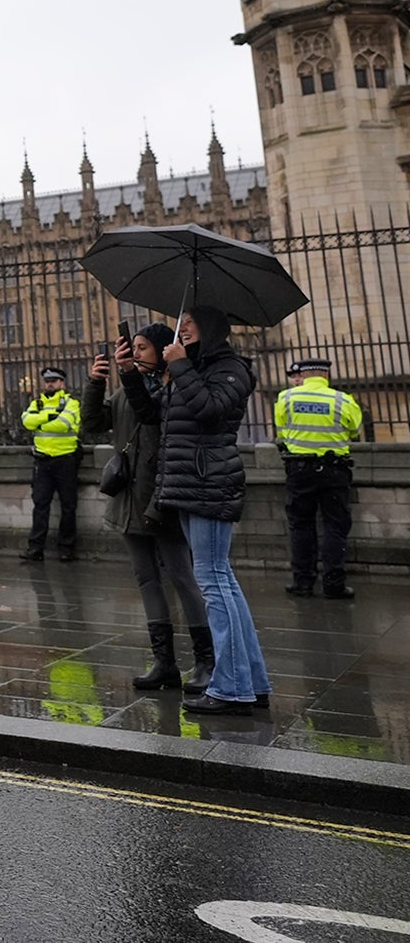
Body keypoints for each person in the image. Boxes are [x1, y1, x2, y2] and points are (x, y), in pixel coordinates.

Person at [148, 305, 269, 717]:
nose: (180, 330)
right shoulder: (194, 367)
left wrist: (181, 368)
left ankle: (233, 688)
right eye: (180, 325)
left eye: (189, 324)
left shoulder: (232, 368)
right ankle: (252, 681)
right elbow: (159, 416)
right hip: (188, 484)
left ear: (212, 329)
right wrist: (133, 373)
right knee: (221, 581)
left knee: (214, 581)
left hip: (209, 483)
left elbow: (212, 412)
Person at [90, 324, 214, 692]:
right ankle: (164, 662)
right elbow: (92, 424)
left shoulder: (173, 390)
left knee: (182, 577)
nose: (135, 353)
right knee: (147, 580)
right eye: (134, 348)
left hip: (163, 499)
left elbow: (154, 420)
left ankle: (207, 661)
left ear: (162, 352)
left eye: (142, 348)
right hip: (128, 500)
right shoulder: (125, 392)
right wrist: (96, 383)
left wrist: (130, 375)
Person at [275, 357, 362, 600]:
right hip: (334, 470)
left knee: (301, 525)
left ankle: (302, 582)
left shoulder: (286, 398)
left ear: (304, 375)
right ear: (325, 375)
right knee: (335, 526)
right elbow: (354, 429)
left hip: (299, 469)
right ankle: (334, 584)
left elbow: (281, 430)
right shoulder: (342, 400)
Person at [20, 366, 83, 562]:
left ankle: (66, 548)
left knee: (68, 506)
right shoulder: (37, 403)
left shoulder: (71, 403)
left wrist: (39, 421)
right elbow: (26, 422)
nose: (50, 384)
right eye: (47, 381)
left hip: (66, 460)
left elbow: (64, 424)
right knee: (40, 505)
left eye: (54, 381)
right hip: (42, 460)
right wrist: (49, 417)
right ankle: (35, 548)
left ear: (62, 383)